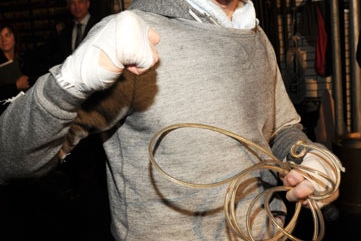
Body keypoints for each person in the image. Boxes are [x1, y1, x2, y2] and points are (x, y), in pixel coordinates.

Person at [0, 0, 343, 240]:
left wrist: (306, 155)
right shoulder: (132, 36)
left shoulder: (256, 35)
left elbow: (280, 129)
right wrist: (68, 84)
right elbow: (10, 159)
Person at [0, 24, 31, 114]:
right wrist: (15, 86)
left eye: (7, 35)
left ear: (14, 38)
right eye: (0, 37)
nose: (4, 40)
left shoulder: (23, 60)